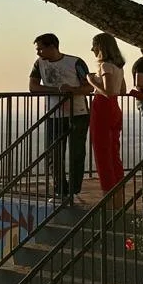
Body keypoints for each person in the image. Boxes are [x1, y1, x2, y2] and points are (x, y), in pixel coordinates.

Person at [30, 33, 93, 202]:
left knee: (76, 152)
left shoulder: (75, 62)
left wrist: (72, 91)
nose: (38, 53)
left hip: (78, 113)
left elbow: (89, 87)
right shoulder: (39, 64)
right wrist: (58, 90)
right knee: (54, 154)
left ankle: (73, 189)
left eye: (40, 49)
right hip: (54, 114)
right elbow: (33, 86)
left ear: (52, 46)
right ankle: (60, 190)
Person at [87, 33, 127, 208]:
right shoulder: (118, 67)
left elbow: (108, 91)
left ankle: (109, 201)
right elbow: (122, 90)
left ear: (101, 47)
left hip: (103, 107)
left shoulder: (105, 66)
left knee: (103, 154)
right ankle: (119, 200)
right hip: (115, 108)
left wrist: (91, 81)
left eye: (94, 46)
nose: (92, 49)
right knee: (114, 153)